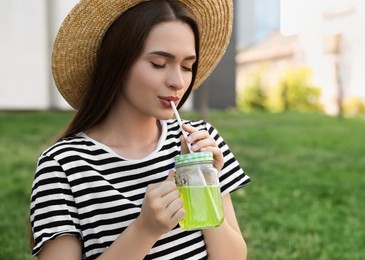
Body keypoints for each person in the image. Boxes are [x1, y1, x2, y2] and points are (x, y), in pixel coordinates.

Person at [29, 0, 250, 259]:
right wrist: (145, 229)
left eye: (187, 66)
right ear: (117, 64)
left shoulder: (200, 142)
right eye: (158, 63)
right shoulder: (62, 166)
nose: (178, 82)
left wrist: (204, 182)